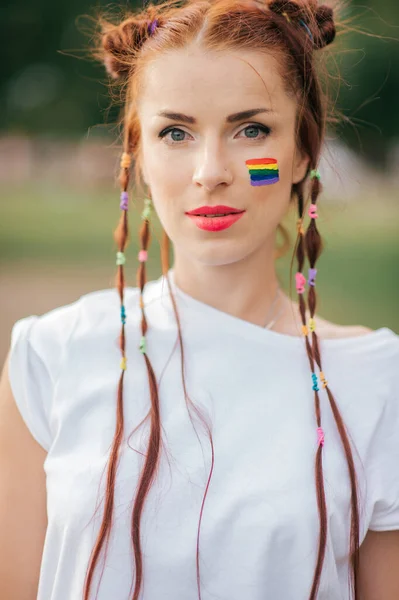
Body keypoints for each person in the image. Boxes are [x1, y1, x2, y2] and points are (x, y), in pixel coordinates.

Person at [1, 0, 398, 598]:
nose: (210, 171)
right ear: (138, 155)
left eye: (251, 129)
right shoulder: (48, 357)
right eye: (176, 132)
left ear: (301, 153)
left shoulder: (378, 382)